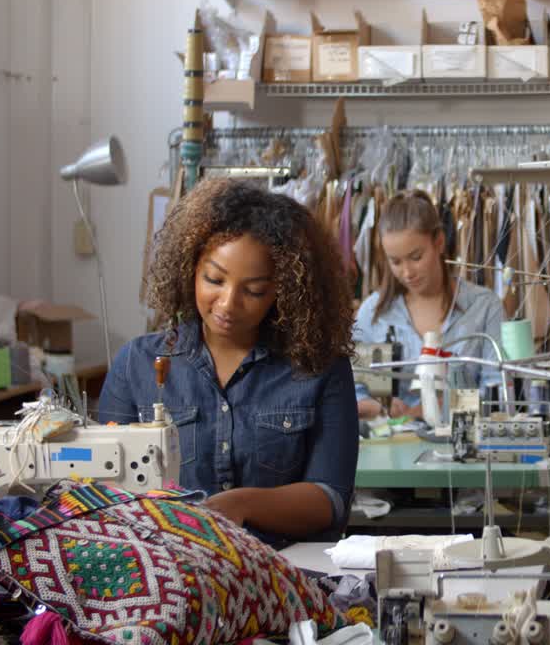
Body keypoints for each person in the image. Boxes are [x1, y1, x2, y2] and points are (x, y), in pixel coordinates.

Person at [98, 179, 359, 546]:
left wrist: (242, 504)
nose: (227, 304)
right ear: (190, 268)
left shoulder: (319, 368)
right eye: (214, 279)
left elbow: (331, 499)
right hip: (170, 571)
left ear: (285, 291)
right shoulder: (137, 364)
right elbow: (102, 493)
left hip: (281, 576)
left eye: (253, 291)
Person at [353, 190, 505, 420]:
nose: (406, 272)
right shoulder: (374, 314)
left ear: (439, 242)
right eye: (395, 261)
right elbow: (354, 390)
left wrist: (432, 409)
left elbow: (497, 393)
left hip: (462, 448)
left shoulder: (483, 308)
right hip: (388, 449)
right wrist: (379, 407)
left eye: (416, 257)